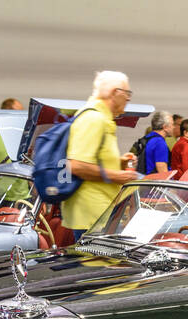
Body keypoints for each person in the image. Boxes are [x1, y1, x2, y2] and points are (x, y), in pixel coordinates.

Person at [61, 70, 139, 239]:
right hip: (93, 216)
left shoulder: (101, 118)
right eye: (127, 93)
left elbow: (90, 160)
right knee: (96, 265)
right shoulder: (93, 119)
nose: (128, 98)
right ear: (114, 93)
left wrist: (118, 163)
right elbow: (75, 165)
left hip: (100, 213)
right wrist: (117, 176)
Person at [141, 110, 171, 176]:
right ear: (165, 127)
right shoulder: (160, 143)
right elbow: (162, 172)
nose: (173, 127)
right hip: (153, 183)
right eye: (172, 124)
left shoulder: (147, 138)